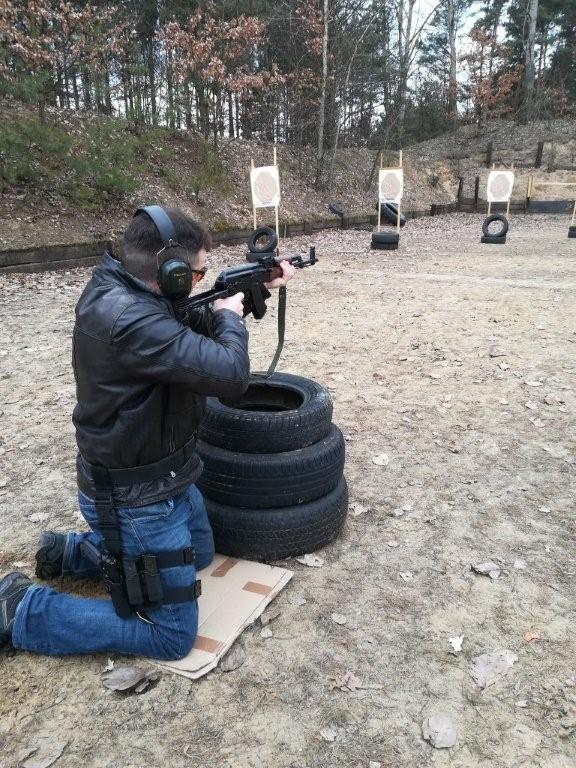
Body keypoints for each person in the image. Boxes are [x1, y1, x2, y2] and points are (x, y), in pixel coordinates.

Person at [0, 206, 295, 660]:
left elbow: (186, 324)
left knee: (200, 555)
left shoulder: (130, 288)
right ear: (171, 274)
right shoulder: (128, 318)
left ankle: (71, 554)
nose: (197, 282)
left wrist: (250, 288)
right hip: (136, 498)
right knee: (171, 637)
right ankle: (23, 612)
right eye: (195, 275)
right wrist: (229, 317)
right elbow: (231, 374)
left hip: (165, 476)